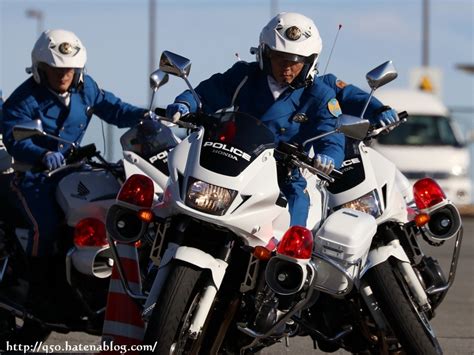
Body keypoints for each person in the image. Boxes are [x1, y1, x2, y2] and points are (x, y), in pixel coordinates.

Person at [166, 12, 398, 227]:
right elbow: (207, 93)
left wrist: (330, 158)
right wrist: (185, 104)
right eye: (279, 59)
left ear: (309, 62)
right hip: (234, 160)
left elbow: (332, 133)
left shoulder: (320, 94)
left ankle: (287, 266)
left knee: (298, 214)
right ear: (265, 54)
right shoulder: (244, 76)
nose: (287, 68)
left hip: (284, 172)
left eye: (295, 61)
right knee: (174, 198)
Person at [2, 29, 147, 259]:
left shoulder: (86, 89)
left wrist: (146, 116)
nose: (64, 75)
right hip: (34, 176)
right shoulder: (24, 99)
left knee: (112, 207)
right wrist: (42, 155)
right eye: (56, 70)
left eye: (69, 69)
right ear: (41, 69)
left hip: (74, 169)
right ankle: (37, 286)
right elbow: (13, 137)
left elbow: (116, 110)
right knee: (46, 228)